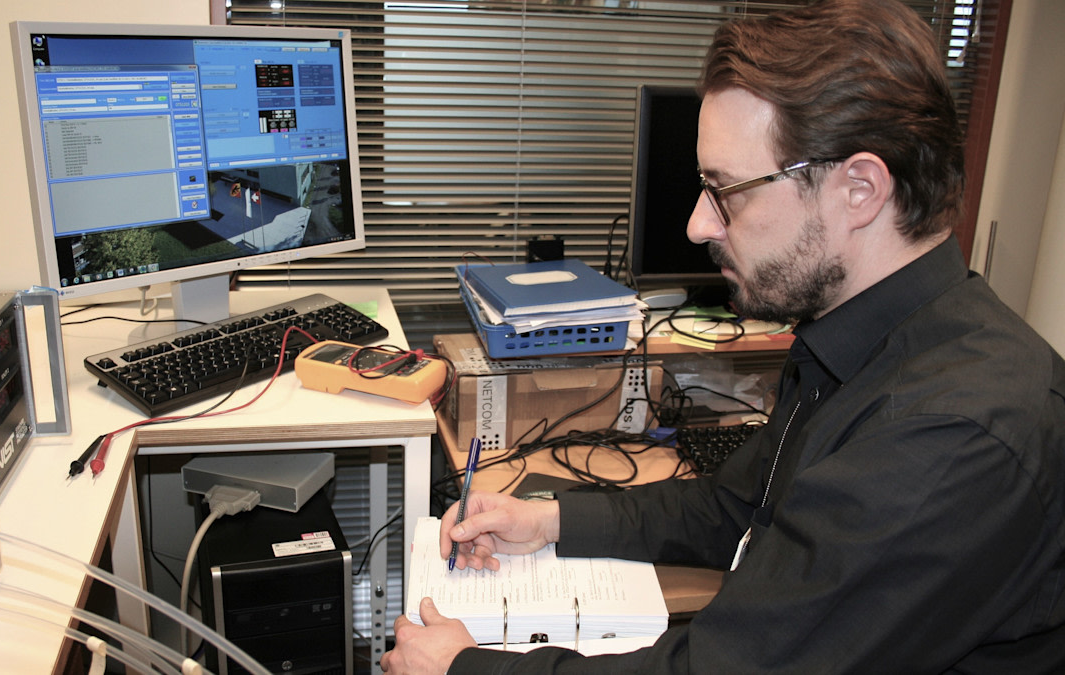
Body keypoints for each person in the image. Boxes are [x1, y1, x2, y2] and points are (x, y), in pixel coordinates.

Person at [380, 0, 1065, 672]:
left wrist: (464, 667)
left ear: (859, 189)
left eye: (727, 190)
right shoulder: (852, 341)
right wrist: (550, 521)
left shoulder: (952, 433)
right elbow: (732, 504)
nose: (698, 225)